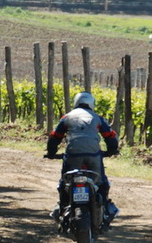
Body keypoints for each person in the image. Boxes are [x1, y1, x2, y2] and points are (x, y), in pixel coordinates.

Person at [45, 91, 119, 220]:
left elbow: (55, 136)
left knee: (65, 182)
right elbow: (110, 136)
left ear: (75, 102)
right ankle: (105, 208)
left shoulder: (66, 117)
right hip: (93, 156)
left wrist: (51, 153)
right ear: (91, 104)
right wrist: (112, 150)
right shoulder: (97, 118)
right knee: (101, 182)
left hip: (72, 156)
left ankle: (62, 207)